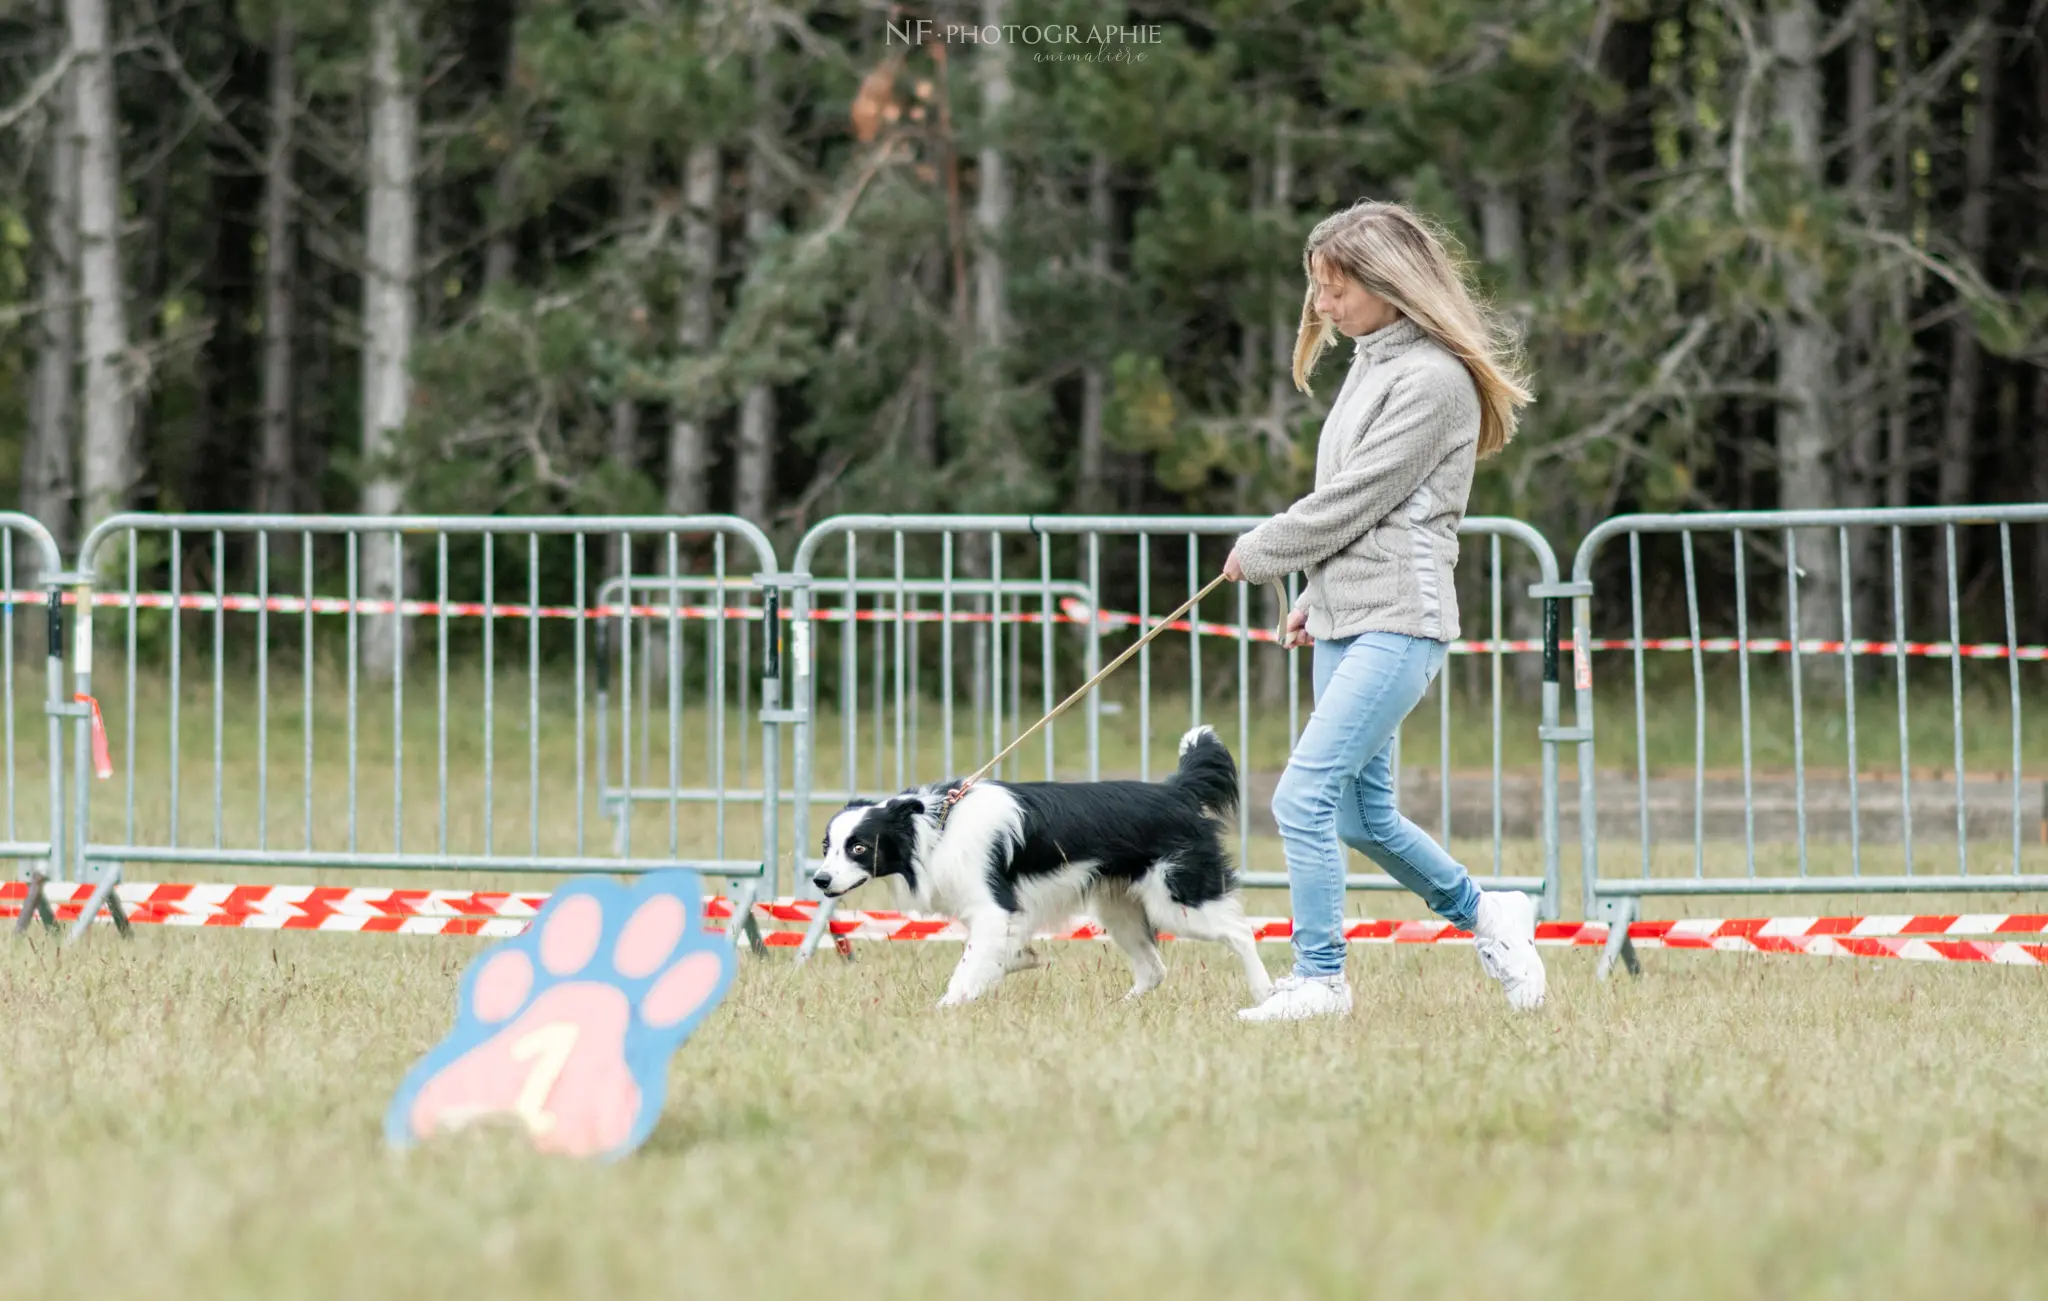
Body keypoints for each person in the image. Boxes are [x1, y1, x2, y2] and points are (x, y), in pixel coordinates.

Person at [1224, 200, 1542, 1021]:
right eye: (1317, 291)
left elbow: (1360, 497)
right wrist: (1314, 595)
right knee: (1364, 816)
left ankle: (1322, 978)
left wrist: (1266, 549)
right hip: (1350, 613)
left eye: (1335, 290)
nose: (1323, 308)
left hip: (1403, 618)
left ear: (1388, 284)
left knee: (1302, 797)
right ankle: (1487, 911)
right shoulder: (1371, 363)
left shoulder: (1433, 380)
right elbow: (1354, 502)